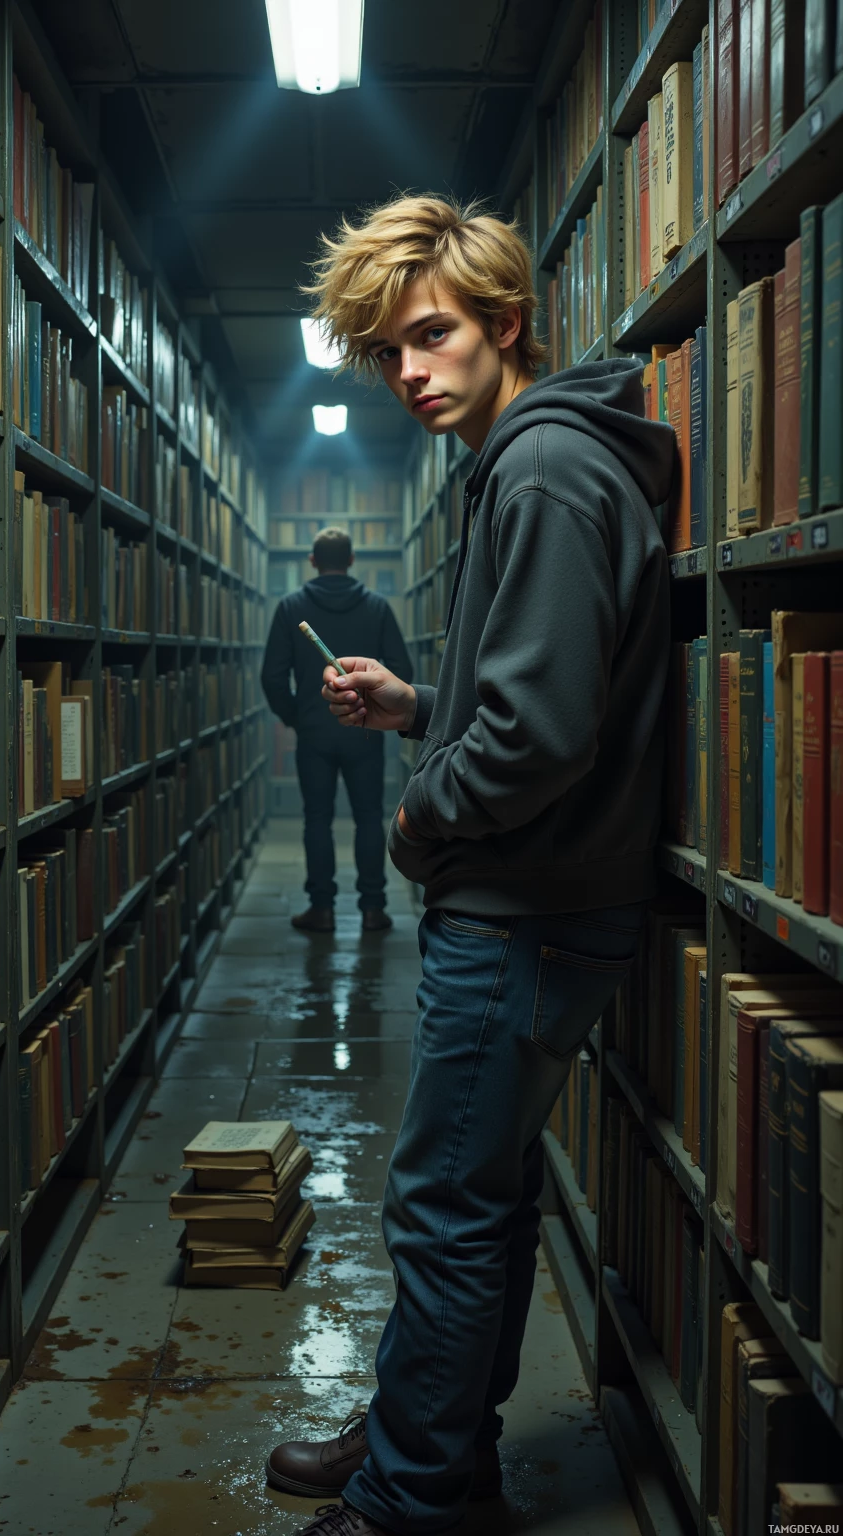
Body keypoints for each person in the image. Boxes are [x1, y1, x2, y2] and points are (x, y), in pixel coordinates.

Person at [264, 196, 676, 1533]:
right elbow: (543, 697)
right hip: (544, 898)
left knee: (443, 1202)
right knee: (476, 1198)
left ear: (504, 322)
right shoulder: (534, 460)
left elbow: (541, 736)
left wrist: (419, 821)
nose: (410, 370)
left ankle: (416, 1495)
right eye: (388, 351)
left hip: (519, 909)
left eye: (431, 335)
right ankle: (421, 1431)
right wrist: (420, 707)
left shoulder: (540, 469)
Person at [261, 524, 413, 933]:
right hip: (366, 729)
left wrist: (298, 718)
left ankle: (322, 909)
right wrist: (373, 708)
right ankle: (373, 909)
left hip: (314, 733)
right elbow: (402, 670)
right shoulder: (378, 607)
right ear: (351, 560)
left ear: (312, 561)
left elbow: (272, 677)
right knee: (369, 818)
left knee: (316, 820)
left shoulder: (291, 607)